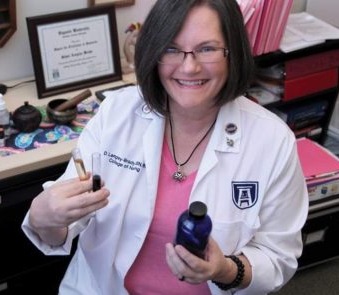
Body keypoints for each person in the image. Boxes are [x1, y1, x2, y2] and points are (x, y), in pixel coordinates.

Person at [22, 0, 308, 294]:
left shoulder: (273, 142)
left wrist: (225, 270)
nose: (189, 66)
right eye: (172, 48)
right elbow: (62, 227)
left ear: (232, 53)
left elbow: (278, 259)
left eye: (207, 49)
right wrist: (43, 218)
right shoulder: (116, 114)